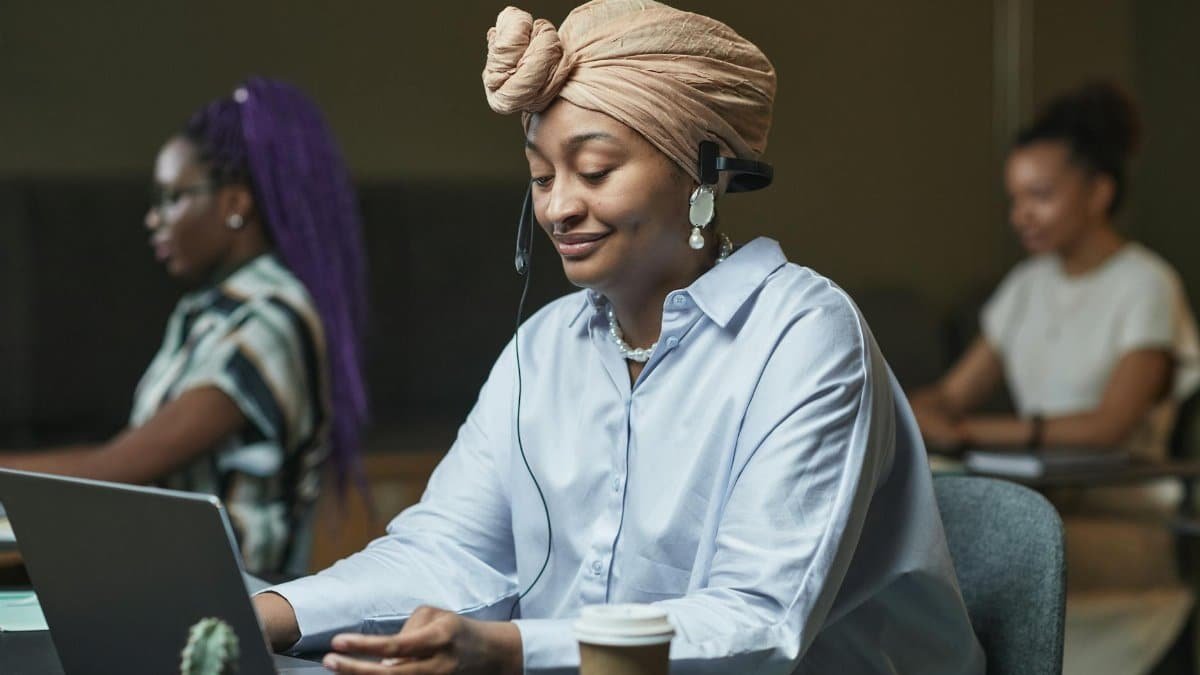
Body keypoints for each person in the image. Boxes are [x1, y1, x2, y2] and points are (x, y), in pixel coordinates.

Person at [254, 2, 984, 673]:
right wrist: (275, 612)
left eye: (595, 170)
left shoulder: (805, 338)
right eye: (541, 177)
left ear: (703, 171)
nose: (560, 208)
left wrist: (508, 649)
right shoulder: (543, 350)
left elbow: (756, 621)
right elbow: (449, 549)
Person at [0, 78, 369, 577]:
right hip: (172, 579)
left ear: (235, 204)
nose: (154, 219)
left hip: (235, 603)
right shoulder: (207, 312)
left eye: (173, 197)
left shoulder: (271, 317)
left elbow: (118, 468)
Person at [910, 82, 1200, 674]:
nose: (1022, 216)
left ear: (1098, 192)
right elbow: (946, 395)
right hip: (1045, 503)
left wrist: (964, 432)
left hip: (1122, 523)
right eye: (1014, 199)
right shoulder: (1027, 286)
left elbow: (1109, 426)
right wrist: (923, 413)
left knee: (971, 549)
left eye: (1040, 196)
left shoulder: (1146, 286)